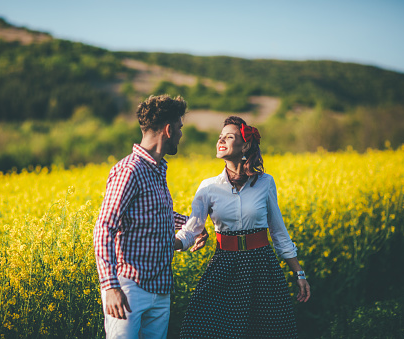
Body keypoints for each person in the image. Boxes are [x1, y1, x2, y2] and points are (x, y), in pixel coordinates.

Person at [175, 116, 311, 338]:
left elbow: (278, 232)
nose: (221, 140)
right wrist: (169, 242)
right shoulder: (208, 187)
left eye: (229, 137)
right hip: (224, 267)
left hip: (261, 268)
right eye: (220, 137)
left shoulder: (265, 182)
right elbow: (192, 228)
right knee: (208, 330)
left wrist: (299, 273)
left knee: (266, 332)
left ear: (245, 145)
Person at [93, 94, 208, 339]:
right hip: (129, 288)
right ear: (168, 129)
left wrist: (193, 225)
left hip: (160, 289)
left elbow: (158, 215)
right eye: (179, 128)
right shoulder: (130, 170)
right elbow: (104, 227)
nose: (180, 134)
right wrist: (110, 286)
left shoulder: (157, 169)